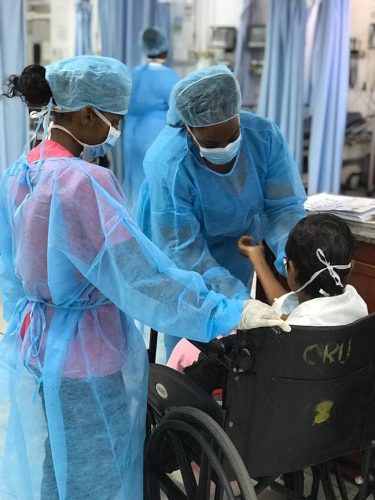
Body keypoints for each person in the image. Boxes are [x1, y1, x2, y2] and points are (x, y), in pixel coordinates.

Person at [0, 55, 289, 499]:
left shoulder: (22, 171)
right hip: (87, 357)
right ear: (84, 114)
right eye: (112, 120)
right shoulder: (82, 184)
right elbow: (144, 279)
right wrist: (229, 311)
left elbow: (9, 274)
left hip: (39, 346)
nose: (114, 132)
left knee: (57, 463)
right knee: (96, 475)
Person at [137, 64, 307, 360]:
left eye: (232, 136)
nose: (225, 148)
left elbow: (284, 208)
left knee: (235, 348)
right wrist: (239, 302)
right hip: (181, 252)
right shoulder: (169, 163)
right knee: (193, 347)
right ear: (189, 129)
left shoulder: (263, 138)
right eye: (212, 143)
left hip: (236, 241)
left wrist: (293, 260)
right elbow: (184, 250)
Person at [178, 214, 369, 394]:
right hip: (332, 413)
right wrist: (257, 259)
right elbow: (287, 308)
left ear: (291, 270)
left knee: (190, 352)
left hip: (269, 414)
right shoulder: (357, 304)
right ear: (350, 267)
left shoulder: (284, 339)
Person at [122, 27, 179, 212]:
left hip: (131, 132)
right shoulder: (170, 77)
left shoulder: (133, 74)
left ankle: (132, 220)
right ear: (165, 50)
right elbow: (178, 111)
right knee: (155, 178)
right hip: (156, 132)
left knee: (133, 178)